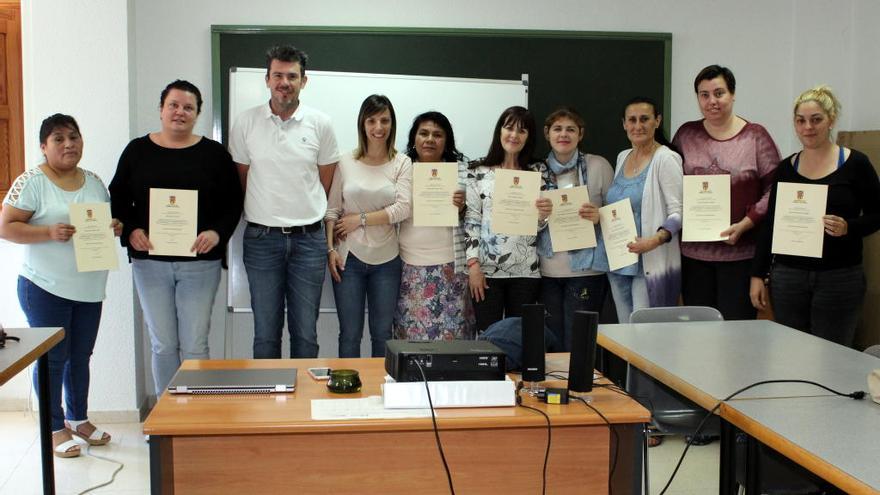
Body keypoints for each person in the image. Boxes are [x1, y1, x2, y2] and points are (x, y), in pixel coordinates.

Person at [109, 80, 242, 396]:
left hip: (200, 266)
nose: (180, 112)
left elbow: (233, 202)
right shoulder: (137, 151)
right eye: (174, 105)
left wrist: (217, 233)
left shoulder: (214, 155)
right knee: (163, 343)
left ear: (197, 114)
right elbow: (116, 198)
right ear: (161, 109)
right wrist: (131, 231)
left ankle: (195, 419)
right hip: (150, 264)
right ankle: (165, 421)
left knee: (195, 344)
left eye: (188, 107)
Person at [0, 114, 121, 457]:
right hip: (45, 287)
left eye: (73, 137)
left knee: (80, 357)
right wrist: (46, 233)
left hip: (89, 287)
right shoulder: (32, 181)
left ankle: (79, 419)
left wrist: (111, 225)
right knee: (53, 359)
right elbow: (5, 227)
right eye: (58, 139)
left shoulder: (95, 181)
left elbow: (97, 222)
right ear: (43, 146)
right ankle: (54, 427)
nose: (68, 144)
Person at [229, 45, 340, 359]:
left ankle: (301, 407)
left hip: (309, 241)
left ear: (304, 81)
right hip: (262, 240)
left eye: (292, 76)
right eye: (278, 75)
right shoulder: (246, 123)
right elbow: (242, 179)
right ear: (267, 80)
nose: (284, 82)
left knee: (306, 334)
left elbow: (325, 181)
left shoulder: (321, 124)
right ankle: (269, 407)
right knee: (265, 333)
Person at [750, 85, 880, 347]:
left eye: (816, 119)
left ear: (831, 120)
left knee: (833, 355)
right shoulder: (786, 168)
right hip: (788, 277)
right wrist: (757, 274)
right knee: (791, 353)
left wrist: (849, 227)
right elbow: (771, 223)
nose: (808, 127)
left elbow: (878, 214)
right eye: (801, 120)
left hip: (839, 277)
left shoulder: (856, 164)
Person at [673, 65, 780, 320]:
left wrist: (747, 222)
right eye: (704, 94)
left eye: (719, 93)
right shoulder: (686, 135)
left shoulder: (755, 136)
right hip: (693, 258)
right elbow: (672, 184)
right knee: (698, 336)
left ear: (732, 94)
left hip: (741, 256)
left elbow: (775, 189)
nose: (712, 101)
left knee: (736, 336)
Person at [326, 95, 412, 357]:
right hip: (348, 259)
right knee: (350, 334)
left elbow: (403, 209)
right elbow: (331, 210)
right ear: (362, 124)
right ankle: (347, 394)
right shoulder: (345, 161)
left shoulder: (402, 162)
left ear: (392, 124)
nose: (378, 127)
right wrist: (330, 249)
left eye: (384, 120)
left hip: (387, 260)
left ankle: (382, 392)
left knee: (383, 334)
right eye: (372, 120)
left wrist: (359, 219)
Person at [594, 97, 683, 323]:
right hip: (619, 260)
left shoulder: (666, 158)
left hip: (648, 261)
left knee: (645, 333)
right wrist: (599, 215)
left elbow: (679, 212)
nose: (638, 125)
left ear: (657, 121)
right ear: (624, 124)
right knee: (626, 332)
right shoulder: (623, 157)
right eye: (631, 120)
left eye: (645, 119)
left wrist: (655, 240)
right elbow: (620, 209)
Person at [465, 106, 553, 332]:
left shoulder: (539, 170)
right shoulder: (478, 170)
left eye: (522, 131)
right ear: (499, 131)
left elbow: (540, 225)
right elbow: (472, 221)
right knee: (488, 341)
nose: (514, 135)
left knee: (520, 339)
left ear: (529, 137)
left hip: (526, 271)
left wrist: (544, 217)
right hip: (486, 272)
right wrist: (473, 266)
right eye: (509, 128)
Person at [537, 107, 614, 350]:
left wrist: (599, 216)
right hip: (548, 272)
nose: (564, 134)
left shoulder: (599, 166)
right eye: (557, 129)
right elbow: (525, 222)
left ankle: (581, 389)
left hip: (587, 272)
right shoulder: (535, 171)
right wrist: (539, 217)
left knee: (580, 344)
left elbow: (618, 215)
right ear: (547, 134)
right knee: (554, 343)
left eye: (571, 129)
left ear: (580, 134)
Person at [394, 111, 475, 340]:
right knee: (413, 340)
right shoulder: (400, 169)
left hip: (452, 269)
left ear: (446, 140)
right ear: (414, 139)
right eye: (424, 133)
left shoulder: (461, 171)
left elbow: (476, 219)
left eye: (437, 134)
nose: (430, 139)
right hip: (409, 269)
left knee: (453, 339)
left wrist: (462, 208)